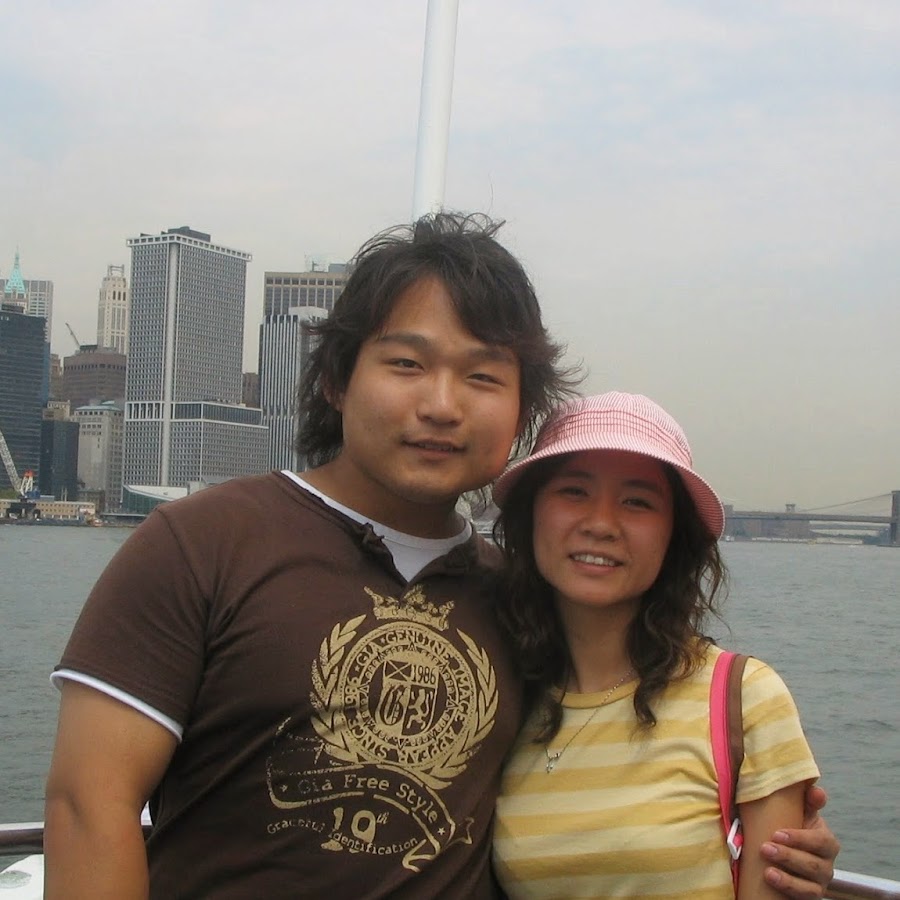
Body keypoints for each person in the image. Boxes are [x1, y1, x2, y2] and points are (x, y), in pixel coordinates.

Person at [43, 215, 836, 899]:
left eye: (482, 376)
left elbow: (601, 764)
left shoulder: (521, 602)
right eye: (407, 364)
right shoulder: (202, 543)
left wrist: (760, 844)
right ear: (336, 380)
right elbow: (88, 805)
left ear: (521, 413)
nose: (442, 405)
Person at [491, 391, 824, 899]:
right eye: (574, 491)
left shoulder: (747, 699)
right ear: (532, 512)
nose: (600, 524)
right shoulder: (499, 698)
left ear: (675, 535)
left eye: (637, 502)